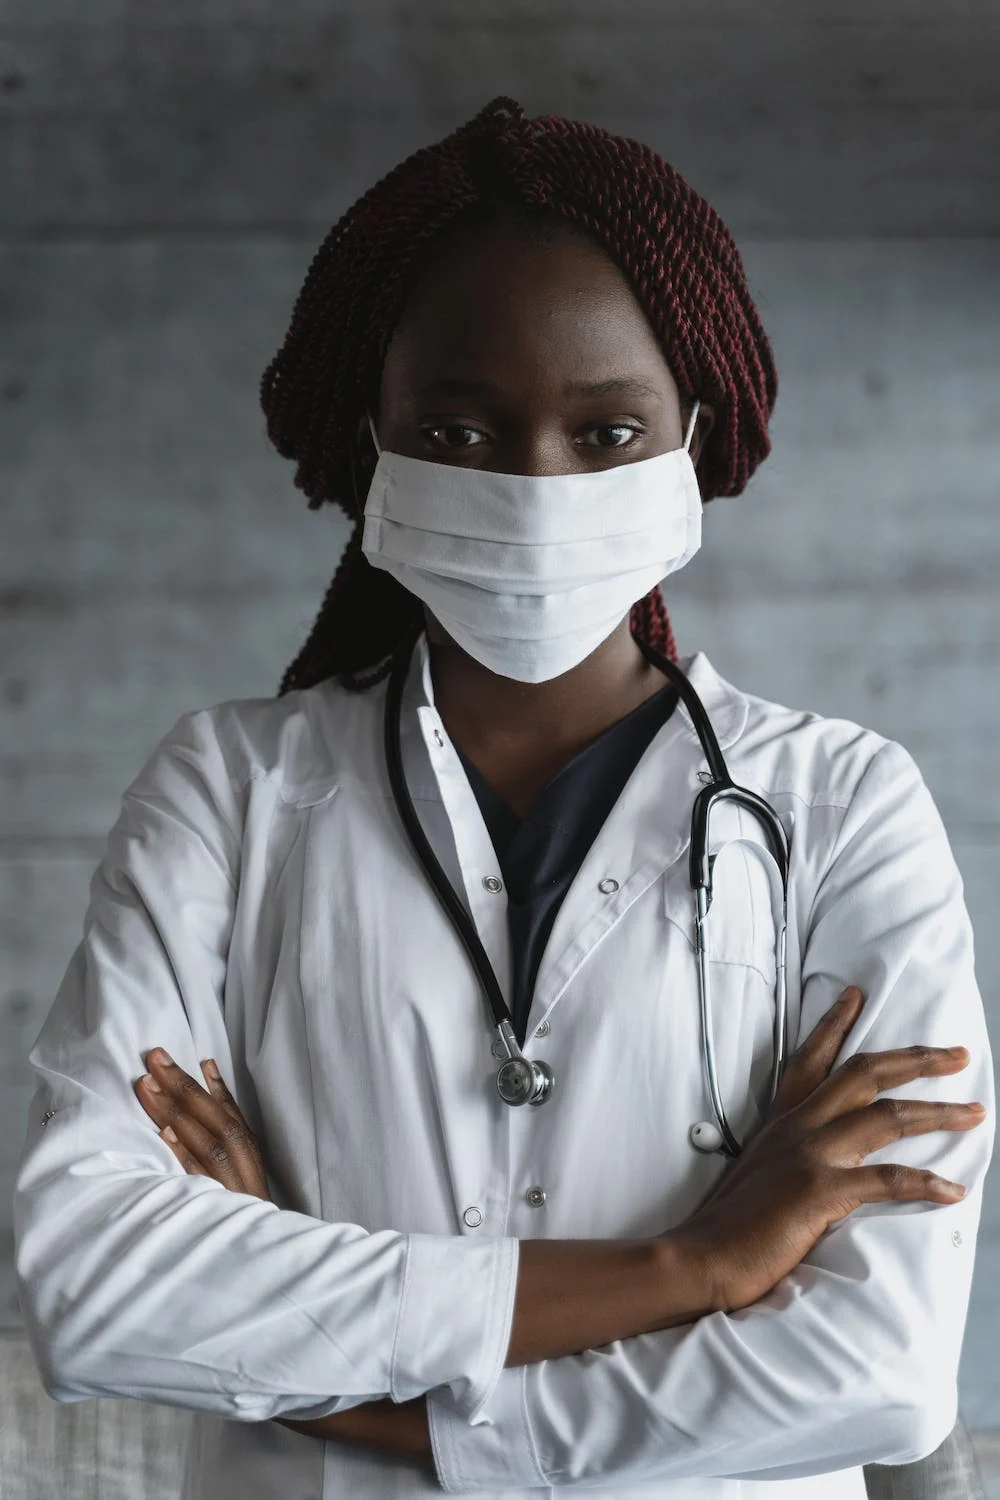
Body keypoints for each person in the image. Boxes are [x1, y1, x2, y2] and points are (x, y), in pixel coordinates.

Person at [12, 97, 993, 1500]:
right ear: (375, 444)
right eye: (460, 433)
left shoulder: (844, 809)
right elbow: (94, 1284)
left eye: (604, 434)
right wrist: (697, 1268)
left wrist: (347, 1386)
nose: (536, 484)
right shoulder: (229, 791)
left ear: (692, 436)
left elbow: (877, 1370)